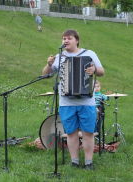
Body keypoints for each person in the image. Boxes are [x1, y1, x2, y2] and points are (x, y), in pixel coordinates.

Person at [42, 29, 104, 170]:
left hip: (86, 102)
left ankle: (89, 163)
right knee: (71, 133)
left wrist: (94, 71)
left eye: (69, 38)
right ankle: (74, 161)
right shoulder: (59, 57)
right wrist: (49, 64)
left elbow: (101, 71)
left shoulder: (89, 54)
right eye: (64, 38)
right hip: (66, 102)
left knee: (88, 133)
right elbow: (46, 75)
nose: (66, 41)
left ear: (77, 40)